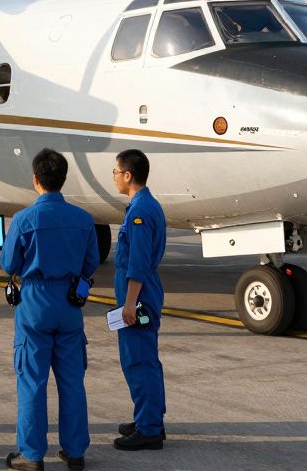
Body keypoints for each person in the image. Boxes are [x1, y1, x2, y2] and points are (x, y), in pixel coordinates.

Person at [1, 148, 99, 471]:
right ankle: (74, 451)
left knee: (32, 382)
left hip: (34, 306)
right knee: (72, 381)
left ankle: (31, 455)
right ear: (63, 179)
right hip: (70, 305)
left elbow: (8, 263)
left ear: (35, 180)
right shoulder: (83, 220)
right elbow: (91, 264)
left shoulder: (24, 220)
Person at [110, 148, 167, 451]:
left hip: (139, 294)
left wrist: (130, 303)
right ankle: (149, 418)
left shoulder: (140, 212)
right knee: (147, 359)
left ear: (128, 175)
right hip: (143, 291)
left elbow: (138, 263)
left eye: (116, 172)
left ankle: (149, 430)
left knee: (138, 361)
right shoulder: (145, 205)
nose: (115, 178)